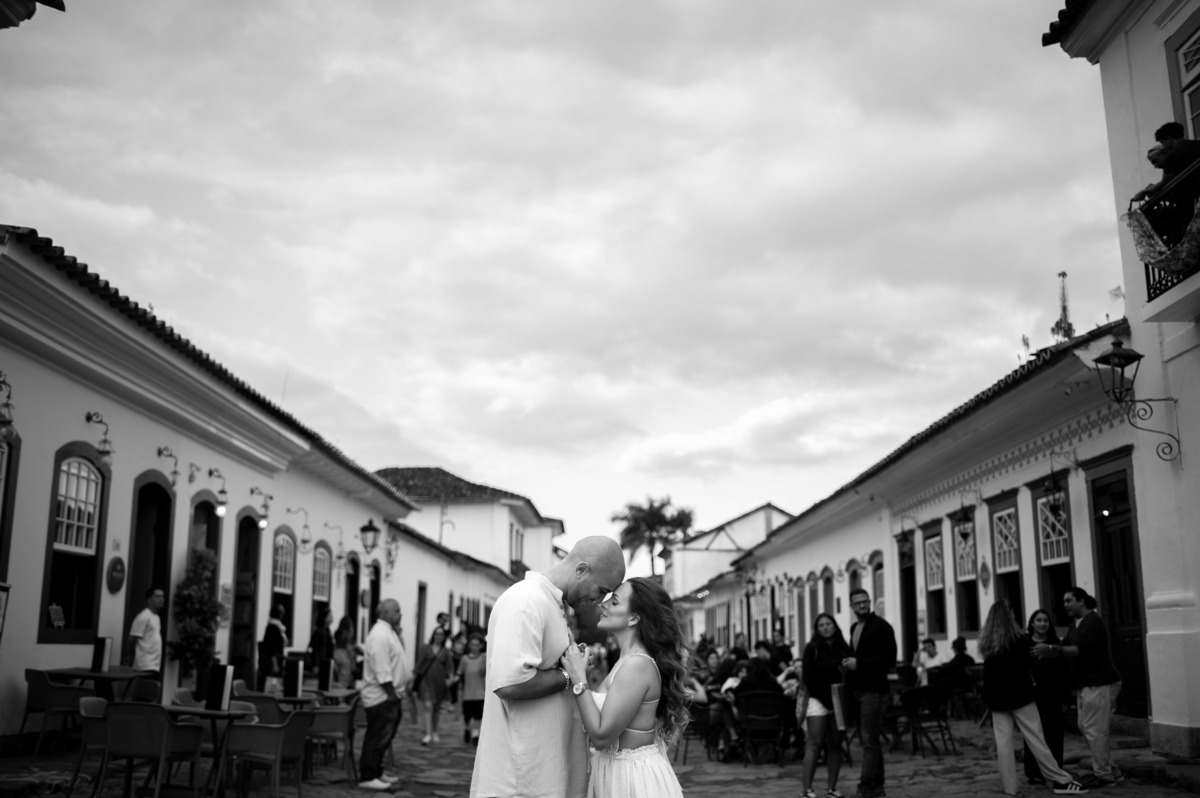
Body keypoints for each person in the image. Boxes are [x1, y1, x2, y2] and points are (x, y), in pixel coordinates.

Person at [469, 535, 625, 798]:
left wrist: (574, 661)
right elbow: (510, 683)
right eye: (600, 590)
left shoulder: (551, 604)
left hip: (541, 771)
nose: (599, 601)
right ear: (581, 569)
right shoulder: (527, 601)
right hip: (521, 778)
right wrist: (569, 674)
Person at [560, 577, 688, 798]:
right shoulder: (626, 661)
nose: (603, 604)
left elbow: (601, 736)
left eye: (615, 602)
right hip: (616, 774)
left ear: (634, 618)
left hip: (632, 781)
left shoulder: (637, 665)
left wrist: (579, 677)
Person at [980, 600, 1087, 796]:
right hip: (1020, 696)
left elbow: (987, 675)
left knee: (1003, 744)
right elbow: (1030, 663)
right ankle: (1059, 780)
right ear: (1007, 616)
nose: (1013, 615)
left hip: (997, 699)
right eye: (1011, 612)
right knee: (1036, 739)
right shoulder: (1018, 640)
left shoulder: (987, 643)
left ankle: (1010, 787)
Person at [1032, 587, 1124, 789]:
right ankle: (1111, 770)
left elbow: (1077, 650)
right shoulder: (1075, 624)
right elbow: (1064, 646)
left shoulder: (1093, 622)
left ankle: (1104, 775)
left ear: (1081, 601)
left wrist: (1050, 649)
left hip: (1099, 683)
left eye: (1068, 600)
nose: (1064, 604)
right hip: (1087, 685)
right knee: (1085, 727)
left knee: (1094, 730)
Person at [843, 587, 896, 798]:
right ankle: (877, 786)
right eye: (858, 603)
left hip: (873, 692)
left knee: (868, 741)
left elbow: (889, 660)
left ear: (870, 602)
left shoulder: (882, 627)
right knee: (871, 741)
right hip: (856, 691)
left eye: (865, 601)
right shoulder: (854, 627)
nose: (862, 605)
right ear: (851, 606)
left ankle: (864, 787)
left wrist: (859, 664)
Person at [358, 598, 410, 791]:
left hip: (390, 695)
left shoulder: (389, 632)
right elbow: (382, 670)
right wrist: (392, 694)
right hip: (382, 697)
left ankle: (377, 771)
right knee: (377, 736)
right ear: (384, 613)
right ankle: (368, 775)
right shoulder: (379, 635)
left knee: (384, 737)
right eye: (396, 610)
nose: (400, 614)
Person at [798, 612, 851, 798]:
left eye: (828, 623)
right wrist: (826, 699)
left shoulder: (843, 647)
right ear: (817, 629)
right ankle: (806, 789)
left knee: (836, 744)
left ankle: (832, 788)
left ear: (835, 626)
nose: (825, 627)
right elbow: (808, 678)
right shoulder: (812, 648)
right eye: (821, 625)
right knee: (815, 742)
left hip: (839, 698)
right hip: (818, 699)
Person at [1025, 609, 1069, 786]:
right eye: (1039, 620)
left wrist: (1066, 698)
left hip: (1053, 696)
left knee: (1054, 734)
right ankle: (1034, 772)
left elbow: (1065, 673)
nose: (1042, 623)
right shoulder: (1025, 644)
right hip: (1031, 697)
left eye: (1046, 620)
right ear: (1032, 623)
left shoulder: (1055, 644)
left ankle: (1055, 769)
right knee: (1033, 734)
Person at [414, 626, 454, 745]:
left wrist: (451, 678)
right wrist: (413, 678)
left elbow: (450, 667)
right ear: (433, 635)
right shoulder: (425, 648)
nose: (439, 636)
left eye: (441, 634)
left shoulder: (446, 651)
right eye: (437, 633)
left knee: (436, 707)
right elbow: (419, 664)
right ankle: (428, 733)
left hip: (439, 682)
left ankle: (435, 731)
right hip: (426, 681)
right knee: (428, 705)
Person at [455, 632, 487, 745]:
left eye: (477, 645)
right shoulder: (464, 659)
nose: (474, 647)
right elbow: (459, 673)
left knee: (478, 715)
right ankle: (467, 729)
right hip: (467, 693)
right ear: (469, 645)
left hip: (480, 692)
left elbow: (485, 672)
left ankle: (475, 734)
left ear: (481, 646)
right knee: (467, 716)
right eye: (472, 644)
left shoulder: (484, 657)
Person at [126, 587, 165, 673]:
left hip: (155, 664)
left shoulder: (156, 617)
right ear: (149, 600)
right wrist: (131, 656)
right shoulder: (143, 616)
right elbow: (132, 639)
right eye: (157, 596)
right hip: (144, 665)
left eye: (162, 596)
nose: (161, 599)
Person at [257, 604, 289, 692]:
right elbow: (271, 648)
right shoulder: (272, 627)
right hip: (272, 661)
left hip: (276, 659)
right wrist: (274, 663)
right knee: (272, 684)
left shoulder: (278, 627)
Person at [332, 620, 359, 688]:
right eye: (351, 631)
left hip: (345, 677)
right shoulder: (344, 649)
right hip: (343, 679)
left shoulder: (345, 644)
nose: (352, 633)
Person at [307, 607, 335, 672]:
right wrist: (315, 664)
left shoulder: (328, 631)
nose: (332, 617)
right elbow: (315, 648)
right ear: (324, 618)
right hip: (320, 663)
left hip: (326, 662)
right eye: (329, 615)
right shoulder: (319, 631)